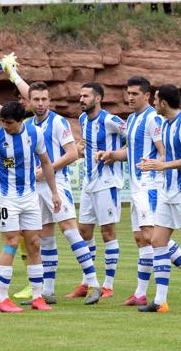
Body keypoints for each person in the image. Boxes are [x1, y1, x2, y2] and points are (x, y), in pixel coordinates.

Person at [97, 76, 181, 306]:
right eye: (128, 93)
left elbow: (163, 151)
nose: (129, 98)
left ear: (147, 96)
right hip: (137, 187)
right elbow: (130, 151)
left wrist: (157, 168)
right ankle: (140, 293)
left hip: (151, 185)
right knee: (141, 239)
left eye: (134, 94)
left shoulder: (153, 119)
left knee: (152, 236)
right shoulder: (131, 119)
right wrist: (111, 155)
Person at [15, 81, 101, 305]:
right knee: (45, 238)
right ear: (29, 101)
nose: (41, 103)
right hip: (36, 187)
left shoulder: (58, 122)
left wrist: (48, 169)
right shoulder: (29, 125)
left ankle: (93, 283)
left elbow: (72, 153)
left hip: (57, 183)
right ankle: (48, 291)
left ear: (49, 100)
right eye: (36, 99)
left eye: (44, 99)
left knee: (70, 231)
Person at [0, 102, 59, 313]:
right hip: (6, 198)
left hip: (29, 197)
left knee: (34, 244)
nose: (4, 126)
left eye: (8, 123)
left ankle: (38, 297)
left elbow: (46, 163)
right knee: (10, 242)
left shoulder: (35, 134)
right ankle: (2, 299)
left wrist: (54, 192)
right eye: (2, 121)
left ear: (20, 121)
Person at [137, 84, 181, 313]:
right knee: (158, 241)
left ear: (164, 103)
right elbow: (170, 157)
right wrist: (153, 165)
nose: (154, 104)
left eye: (156, 100)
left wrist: (163, 165)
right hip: (168, 192)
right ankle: (160, 301)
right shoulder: (165, 125)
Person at [65, 82, 125, 300]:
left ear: (98, 98)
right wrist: (81, 149)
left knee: (107, 232)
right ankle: (87, 282)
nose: (81, 99)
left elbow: (134, 137)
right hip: (89, 182)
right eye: (80, 96)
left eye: (86, 96)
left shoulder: (109, 120)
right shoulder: (82, 119)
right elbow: (86, 142)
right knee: (84, 232)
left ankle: (108, 284)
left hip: (108, 183)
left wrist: (115, 154)